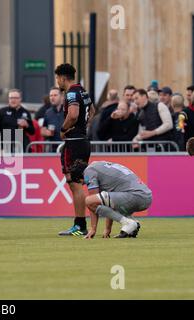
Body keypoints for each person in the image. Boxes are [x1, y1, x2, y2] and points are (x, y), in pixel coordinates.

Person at [54, 63, 94, 237]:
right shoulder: (82, 91)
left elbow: (73, 114)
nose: (57, 81)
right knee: (74, 182)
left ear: (63, 77)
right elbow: (92, 110)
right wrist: (83, 127)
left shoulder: (71, 93)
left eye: (57, 78)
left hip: (74, 143)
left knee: (75, 184)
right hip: (81, 140)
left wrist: (63, 130)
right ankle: (80, 223)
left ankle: (80, 225)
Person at [69, 160, 152, 239]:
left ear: (79, 177)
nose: (83, 184)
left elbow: (92, 202)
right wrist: (107, 229)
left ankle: (128, 223)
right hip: (145, 197)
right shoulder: (99, 166)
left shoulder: (88, 171)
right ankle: (132, 223)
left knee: (89, 200)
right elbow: (109, 203)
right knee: (101, 199)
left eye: (81, 182)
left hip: (135, 195)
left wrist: (93, 229)